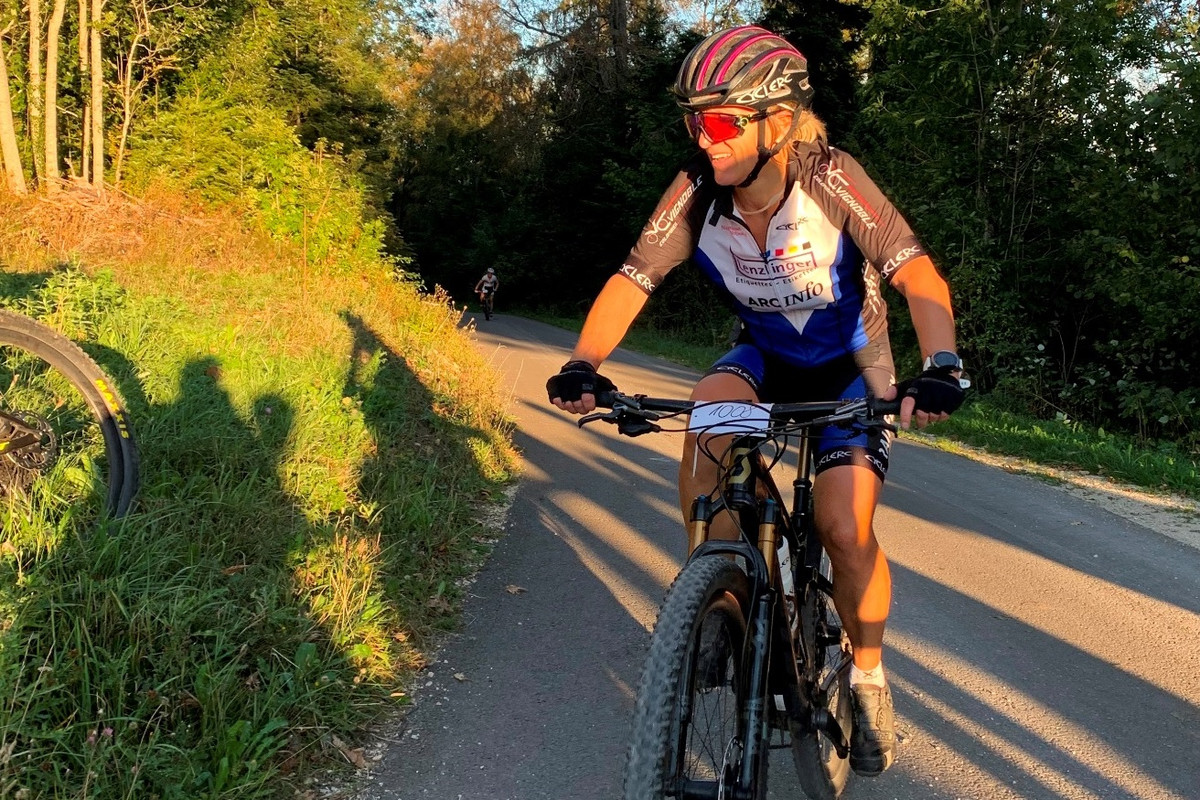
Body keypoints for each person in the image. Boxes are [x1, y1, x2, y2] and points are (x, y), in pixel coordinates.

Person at [545, 25, 968, 777]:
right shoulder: (697, 191)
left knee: (844, 528)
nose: (703, 140)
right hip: (765, 360)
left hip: (847, 372)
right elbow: (634, 278)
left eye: (719, 122)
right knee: (707, 418)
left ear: (778, 120)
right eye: (693, 123)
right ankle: (716, 596)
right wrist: (584, 362)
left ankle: (868, 675)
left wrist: (941, 365)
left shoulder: (830, 176)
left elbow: (916, 273)